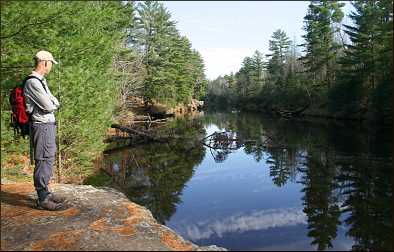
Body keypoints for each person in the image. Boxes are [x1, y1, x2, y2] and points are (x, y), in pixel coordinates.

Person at [24, 50, 64, 210]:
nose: (51, 67)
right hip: (41, 126)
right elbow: (49, 105)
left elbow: (54, 101)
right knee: (42, 159)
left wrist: (53, 104)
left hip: (47, 125)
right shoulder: (33, 82)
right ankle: (42, 198)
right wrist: (53, 105)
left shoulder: (41, 81)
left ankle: (46, 193)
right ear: (44, 63)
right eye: (51, 64)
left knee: (48, 157)